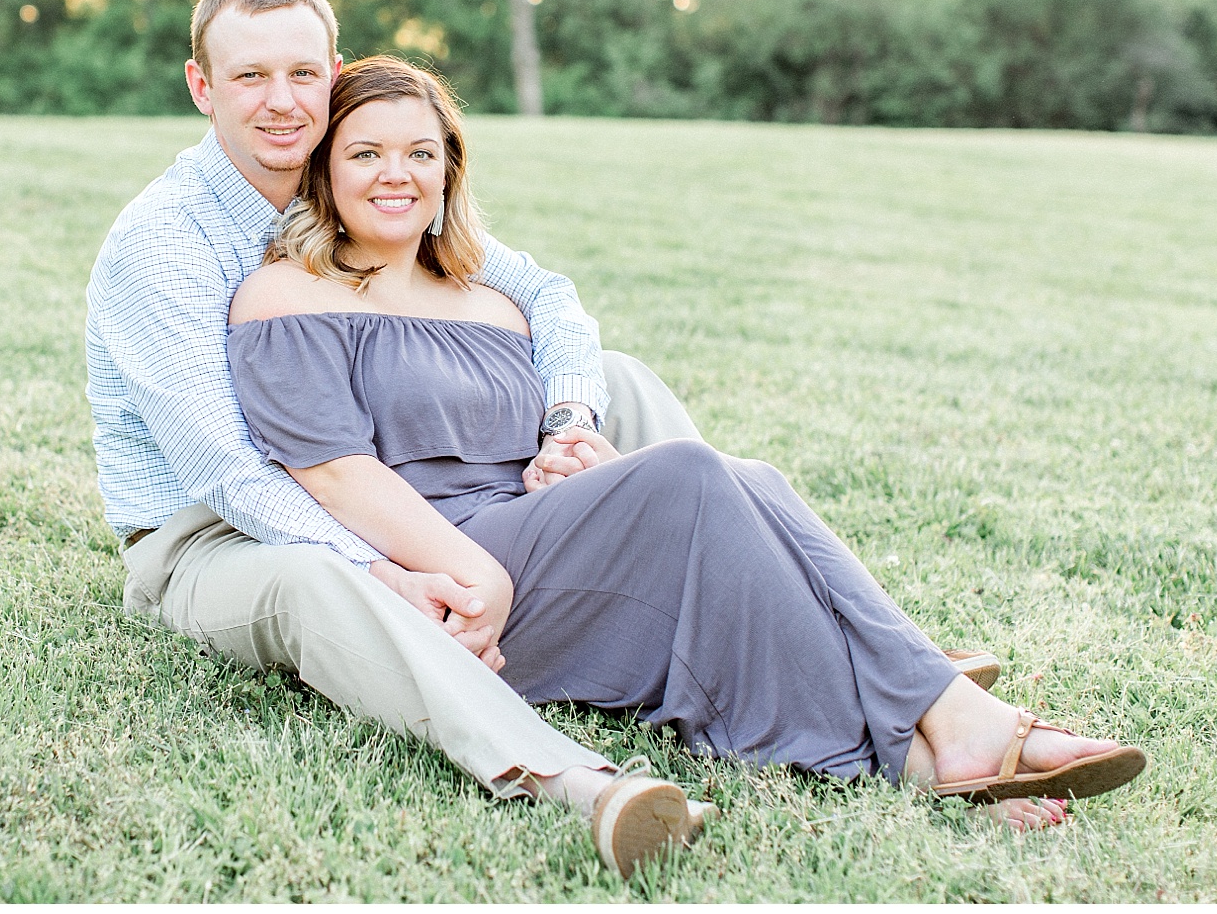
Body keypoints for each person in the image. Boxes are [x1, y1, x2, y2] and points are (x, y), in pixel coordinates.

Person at [88, 0, 1052, 878]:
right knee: (317, 573)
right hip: (218, 534)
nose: (281, 100)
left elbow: (542, 296)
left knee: (628, 390)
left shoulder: (353, 166)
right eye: (249, 75)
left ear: (333, 77)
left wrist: (568, 425)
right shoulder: (166, 240)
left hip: (397, 480)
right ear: (202, 86)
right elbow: (227, 471)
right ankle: (570, 776)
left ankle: (777, 621)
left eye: (303, 73)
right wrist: (396, 568)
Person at [223, 55, 1149, 830]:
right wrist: (483, 573)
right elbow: (335, 476)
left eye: (421, 152)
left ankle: (936, 730)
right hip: (451, 582)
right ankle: (940, 724)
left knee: (754, 478)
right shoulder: (289, 296)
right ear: (325, 170)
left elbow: (551, 373)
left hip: (532, 526)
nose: (398, 173)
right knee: (692, 474)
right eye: (367, 153)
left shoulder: (489, 298)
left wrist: (567, 443)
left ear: (449, 169)